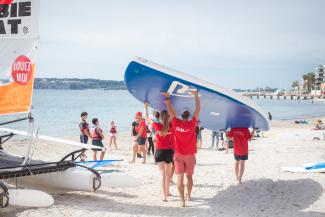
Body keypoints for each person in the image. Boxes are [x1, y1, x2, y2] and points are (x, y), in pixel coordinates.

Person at [163, 90, 200, 207]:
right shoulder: (192, 124)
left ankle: (182, 201)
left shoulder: (176, 123)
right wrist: (196, 95)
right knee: (189, 177)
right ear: (188, 116)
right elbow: (198, 110)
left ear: (181, 115)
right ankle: (189, 196)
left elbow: (170, 112)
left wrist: (168, 99)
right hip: (189, 155)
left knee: (180, 178)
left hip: (178, 154)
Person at [145, 103, 173, 202]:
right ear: (168, 118)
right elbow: (174, 115)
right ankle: (168, 191)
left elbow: (147, 118)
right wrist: (169, 103)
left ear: (160, 117)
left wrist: (146, 107)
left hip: (160, 151)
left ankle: (164, 196)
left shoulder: (156, 125)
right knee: (168, 174)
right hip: (169, 152)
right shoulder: (172, 125)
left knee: (162, 175)